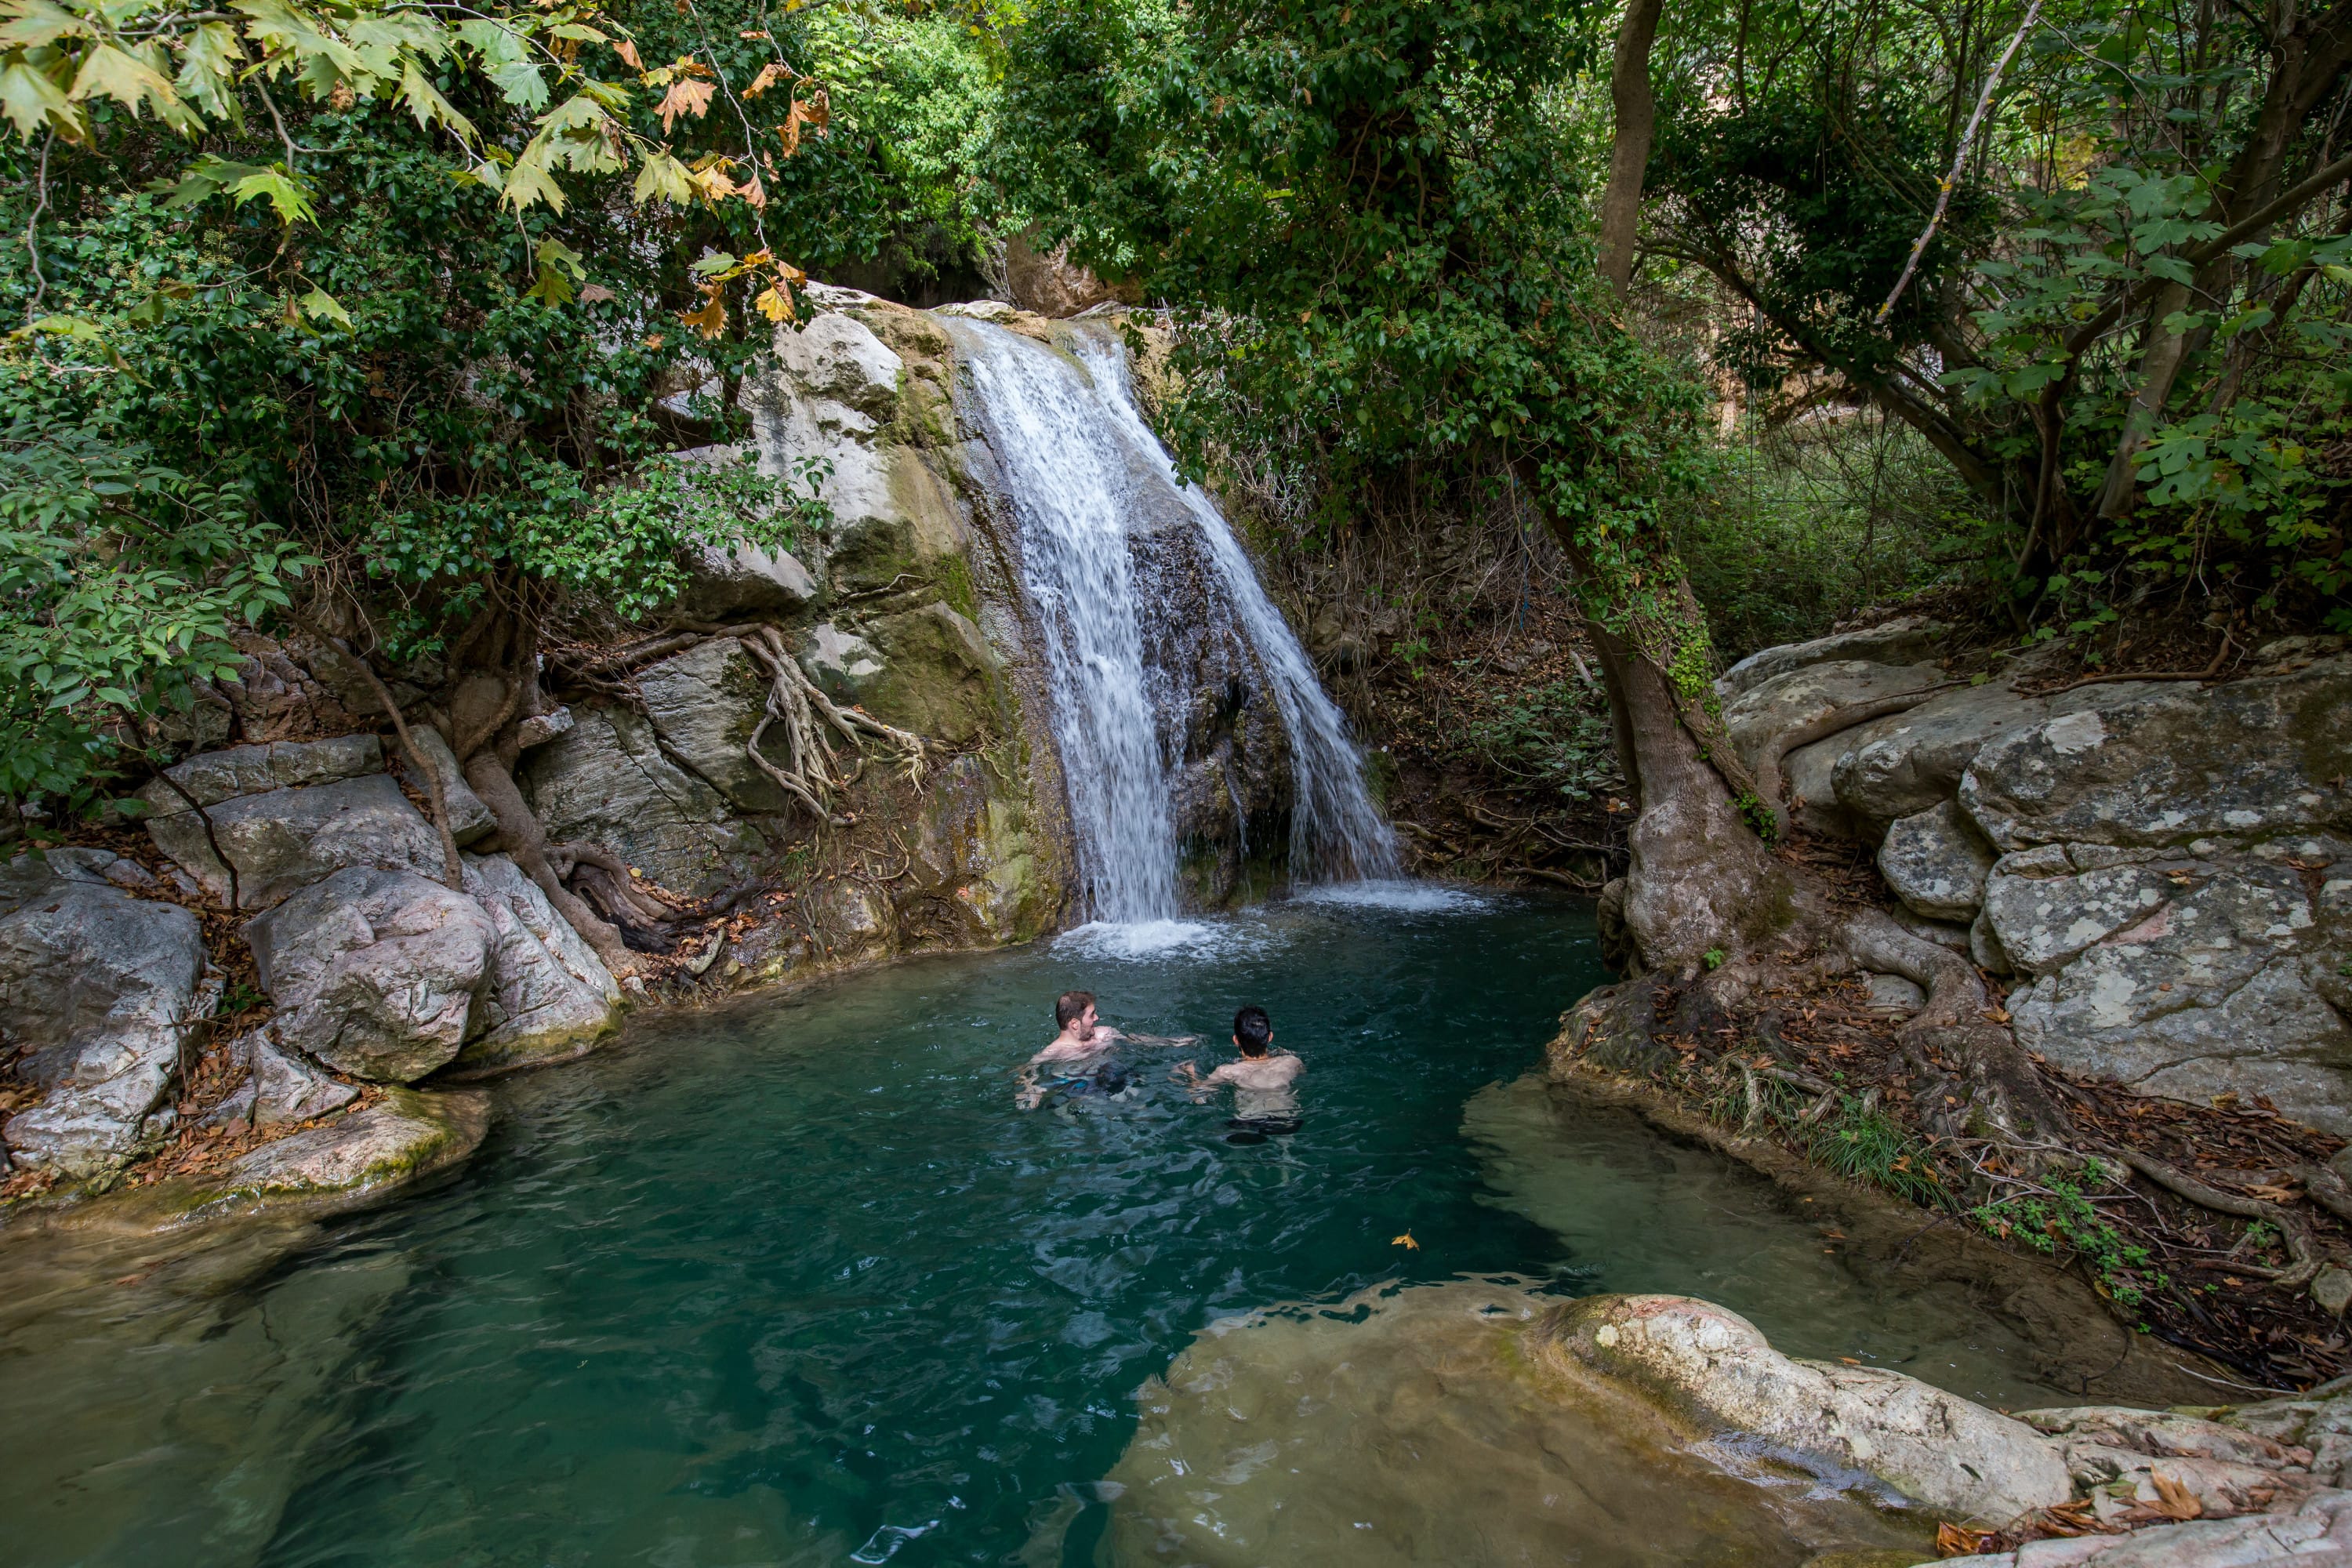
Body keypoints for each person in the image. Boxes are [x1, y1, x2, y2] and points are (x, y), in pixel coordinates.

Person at [1175, 1005, 1303, 1143]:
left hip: (1249, 1123)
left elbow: (1199, 1098)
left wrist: (1189, 1073)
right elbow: (1301, 1075)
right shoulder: (1292, 1062)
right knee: (1286, 1147)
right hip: (1286, 1122)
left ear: (1236, 1040)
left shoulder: (1228, 1071)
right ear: (1270, 1037)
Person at [1017, 990, 1131, 1109]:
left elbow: (1130, 1040)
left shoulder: (1104, 1034)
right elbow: (1025, 1068)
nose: (1097, 1018)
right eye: (1092, 1015)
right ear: (1075, 1024)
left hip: (1113, 1078)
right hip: (1079, 1089)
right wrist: (1030, 1088)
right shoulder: (1056, 1051)